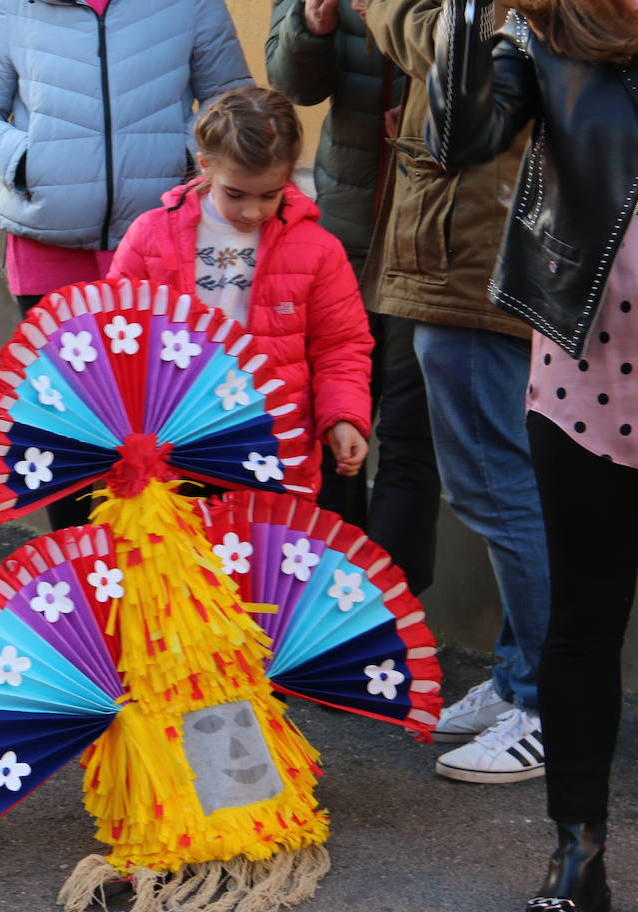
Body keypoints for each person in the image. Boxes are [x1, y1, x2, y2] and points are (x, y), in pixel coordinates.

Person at [427, 0, 638, 912]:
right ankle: (578, 858)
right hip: (591, 373)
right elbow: (460, 139)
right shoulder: (551, 25)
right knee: (581, 625)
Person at [0, 0, 252, 529]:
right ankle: (85, 577)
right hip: (50, 249)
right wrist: (26, 161)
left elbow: (233, 101)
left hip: (163, 247)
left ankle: (163, 581)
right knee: (74, 433)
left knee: (164, 429)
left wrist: (182, 154)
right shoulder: (10, 5)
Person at [362, 0, 550, 785]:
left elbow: (448, 42)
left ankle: (546, 705)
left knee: (499, 492)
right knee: (503, 486)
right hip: (466, 243)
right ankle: (519, 683)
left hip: (476, 255)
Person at [108, 86, 374, 496]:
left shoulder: (318, 250)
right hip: (170, 448)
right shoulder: (150, 237)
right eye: (236, 194)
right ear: (205, 167)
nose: (252, 212)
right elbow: (115, 334)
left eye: (270, 195)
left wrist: (343, 415)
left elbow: (341, 345)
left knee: (259, 557)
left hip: (270, 446)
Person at [266, 0, 442, 595]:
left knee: (412, 440)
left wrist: (426, 130)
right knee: (335, 423)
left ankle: (390, 614)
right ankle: (322, 604)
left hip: (436, 239)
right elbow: (291, 85)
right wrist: (311, 28)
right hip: (347, 239)